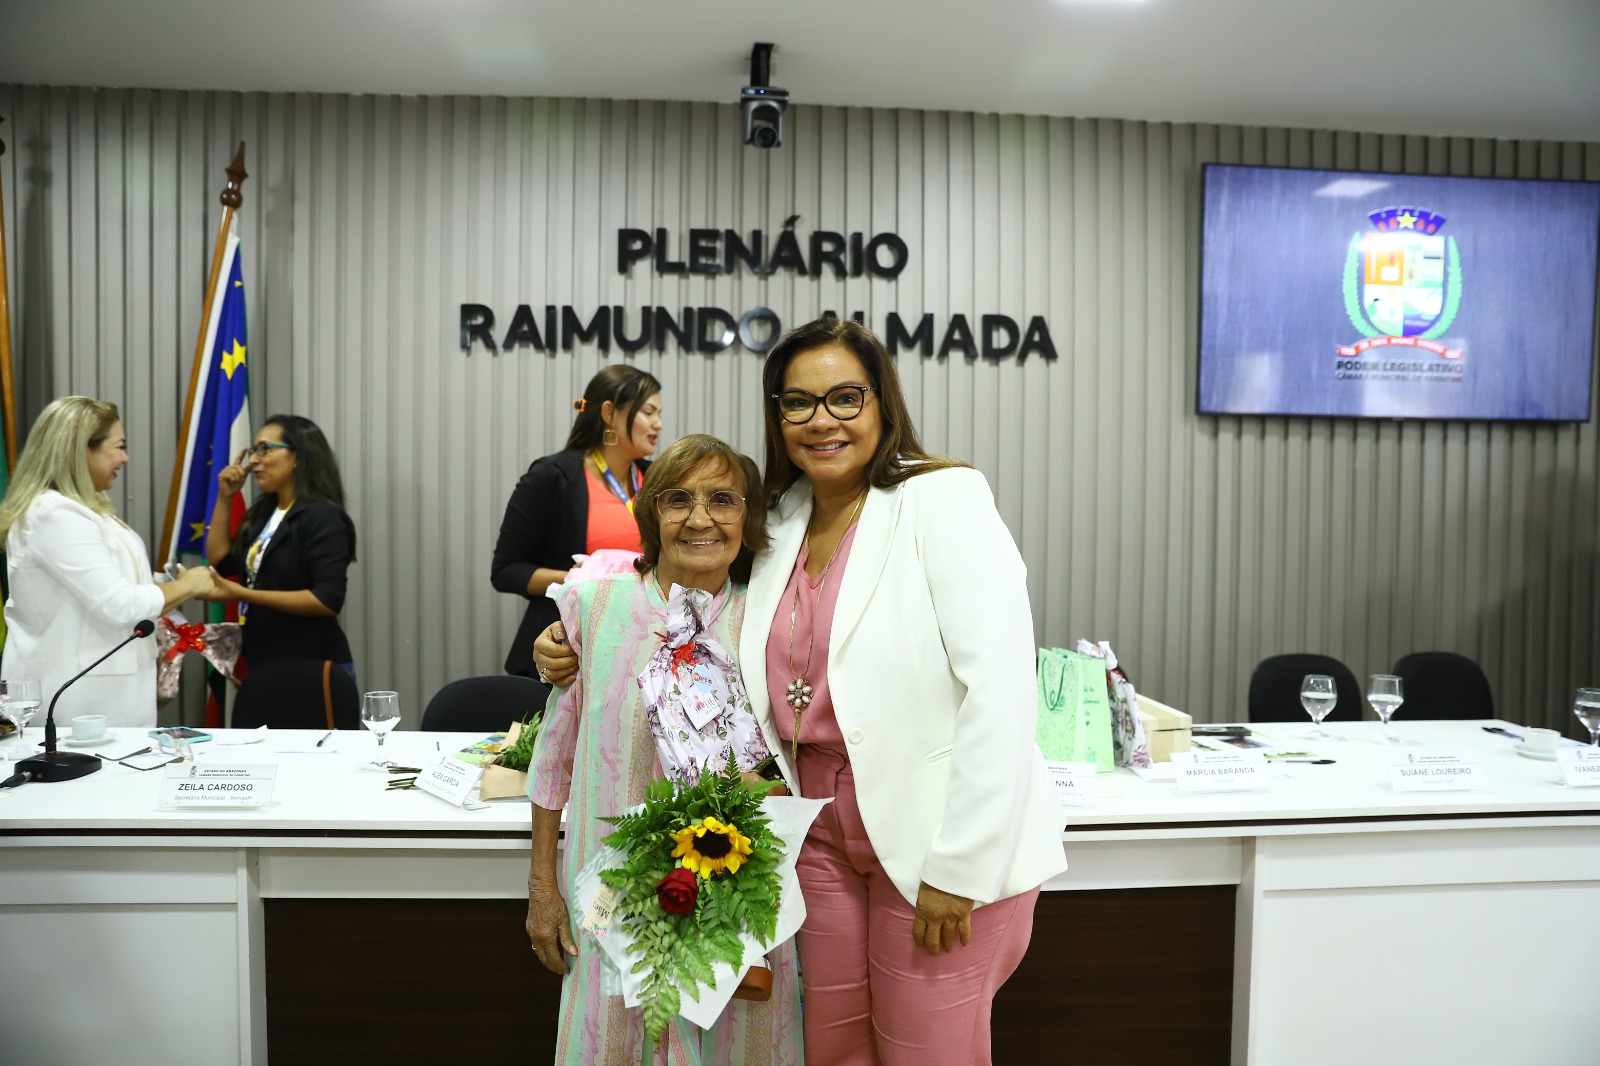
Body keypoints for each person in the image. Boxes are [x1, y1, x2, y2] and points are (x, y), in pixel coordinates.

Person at [537, 318, 1068, 1065]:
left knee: (928, 1054)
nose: (822, 419)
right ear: (777, 414)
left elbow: (1004, 688)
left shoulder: (942, 499)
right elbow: (680, 597)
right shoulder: (779, 520)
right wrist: (566, 638)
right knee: (833, 1050)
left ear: (883, 404)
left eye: (845, 398)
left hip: (932, 838)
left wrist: (962, 866)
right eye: (798, 402)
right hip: (811, 835)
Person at [524, 434, 800, 1066]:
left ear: (749, 520)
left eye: (723, 500)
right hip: (610, 895)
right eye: (679, 499)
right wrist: (542, 883)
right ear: (651, 516)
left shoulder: (773, 621)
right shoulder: (592, 612)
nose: (700, 518)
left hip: (739, 899)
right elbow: (554, 760)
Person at [0, 397, 215, 727]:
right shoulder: (53, 514)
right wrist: (188, 585)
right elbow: (120, 604)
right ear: (81, 449)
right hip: (75, 702)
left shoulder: (87, 511)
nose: (125, 458)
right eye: (118, 446)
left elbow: (114, 588)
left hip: (109, 698)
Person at [491, 365, 663, 696]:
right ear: (610, 413)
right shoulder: (552, 477)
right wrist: (577, 576)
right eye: (648, 412)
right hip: (568, 658)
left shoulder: (657, 479)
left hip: (639, 654)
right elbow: (505, 571)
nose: (658, 424)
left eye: (659, 413)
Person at [204, 414, 357, 677]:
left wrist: (243, 594)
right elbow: (220, 560)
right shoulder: (265, 513)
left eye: (264, 449)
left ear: (299, 455)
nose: (253, 460)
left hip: (312, 665)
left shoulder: (324, 517)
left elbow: (326, 599)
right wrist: (225, 498)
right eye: (254, 450)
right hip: (264, 661)